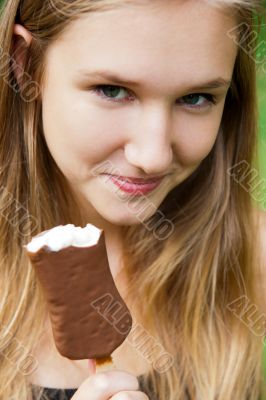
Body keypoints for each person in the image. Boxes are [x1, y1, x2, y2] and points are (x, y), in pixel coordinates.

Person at [0, 0, 265, 399]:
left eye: (196, 98)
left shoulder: (253, 257)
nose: (153, 155)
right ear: (25, 63)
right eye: (113, 90)